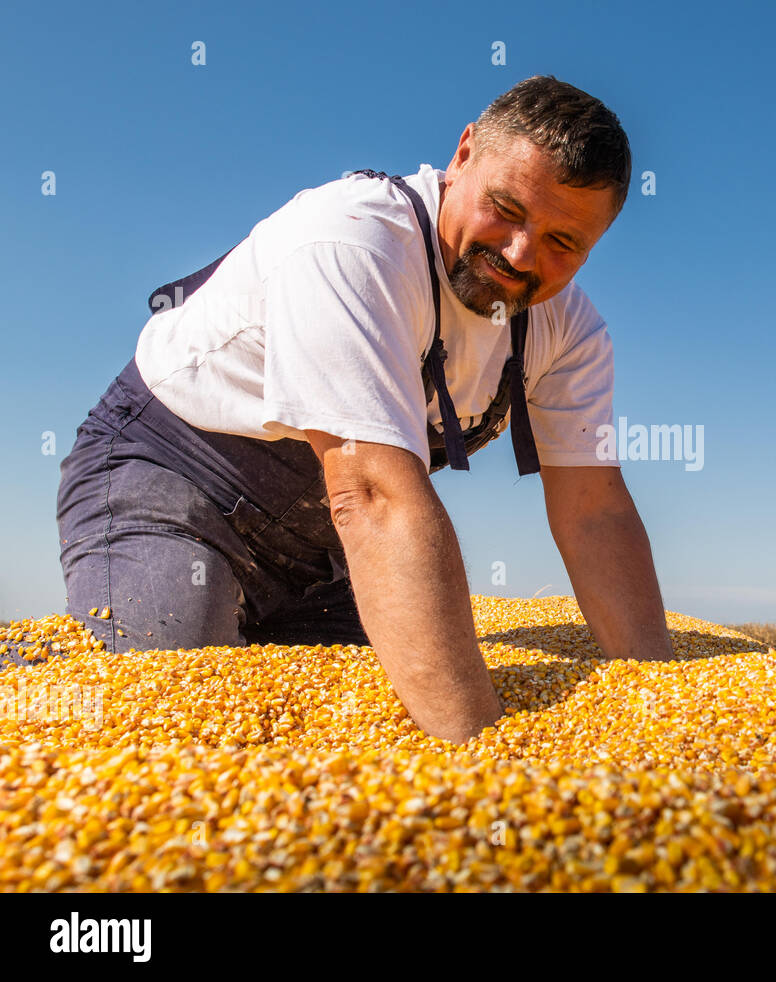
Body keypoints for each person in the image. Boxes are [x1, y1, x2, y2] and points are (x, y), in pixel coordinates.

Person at [53, 75, 674, 743]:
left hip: (323, 549)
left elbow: (595, 510)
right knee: (179, 702)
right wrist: (485, 761)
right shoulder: (353, 242)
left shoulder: (569, 333)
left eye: (563, 243)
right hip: (174, 473)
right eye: (506, 207)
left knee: (364, 716)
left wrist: (658, 706)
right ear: (462, 155)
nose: (520, 255)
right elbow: (371, 496)